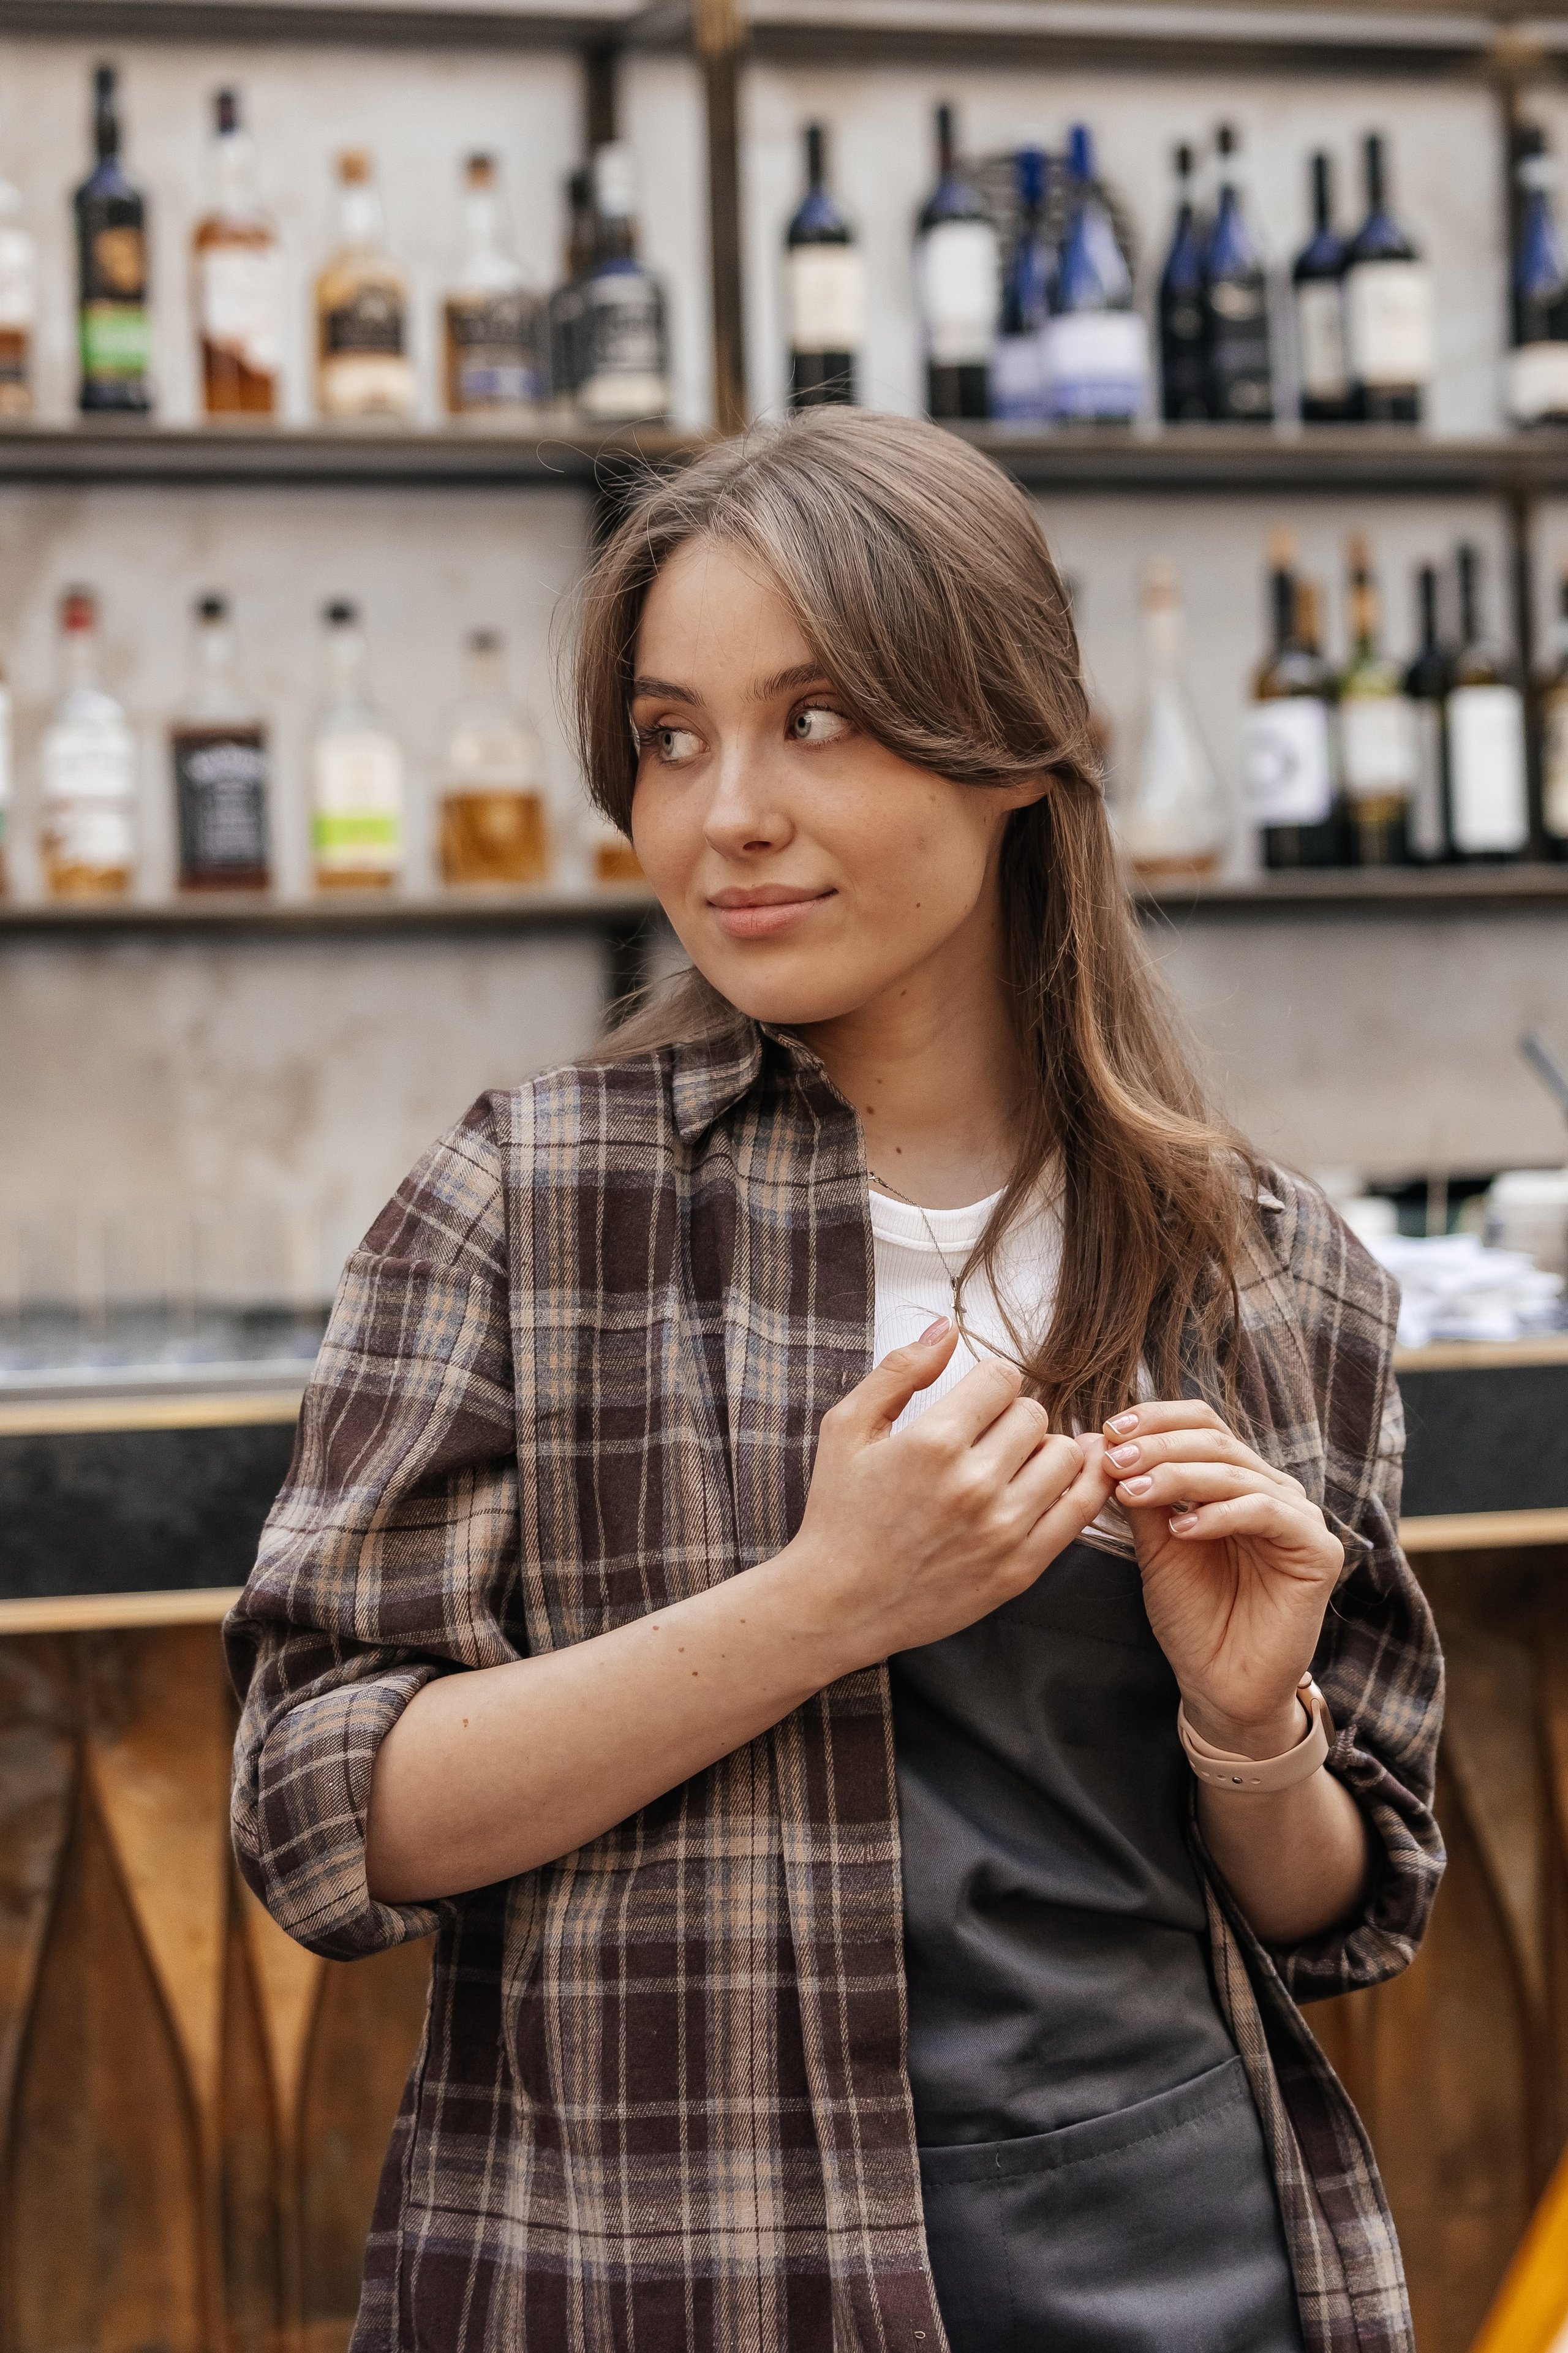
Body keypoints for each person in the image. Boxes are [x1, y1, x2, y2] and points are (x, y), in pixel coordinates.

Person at [227, 409, 1443, 2353]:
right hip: (652, 2272)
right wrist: (824, 1602)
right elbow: (315, 1811)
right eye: (672, 736)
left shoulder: (1266, 1262)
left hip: (1162, 2265)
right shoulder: (528, 1205)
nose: (728, 816)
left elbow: (1341, 1907)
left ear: (1023, 749)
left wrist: (1248, 1726)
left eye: (819, 719)